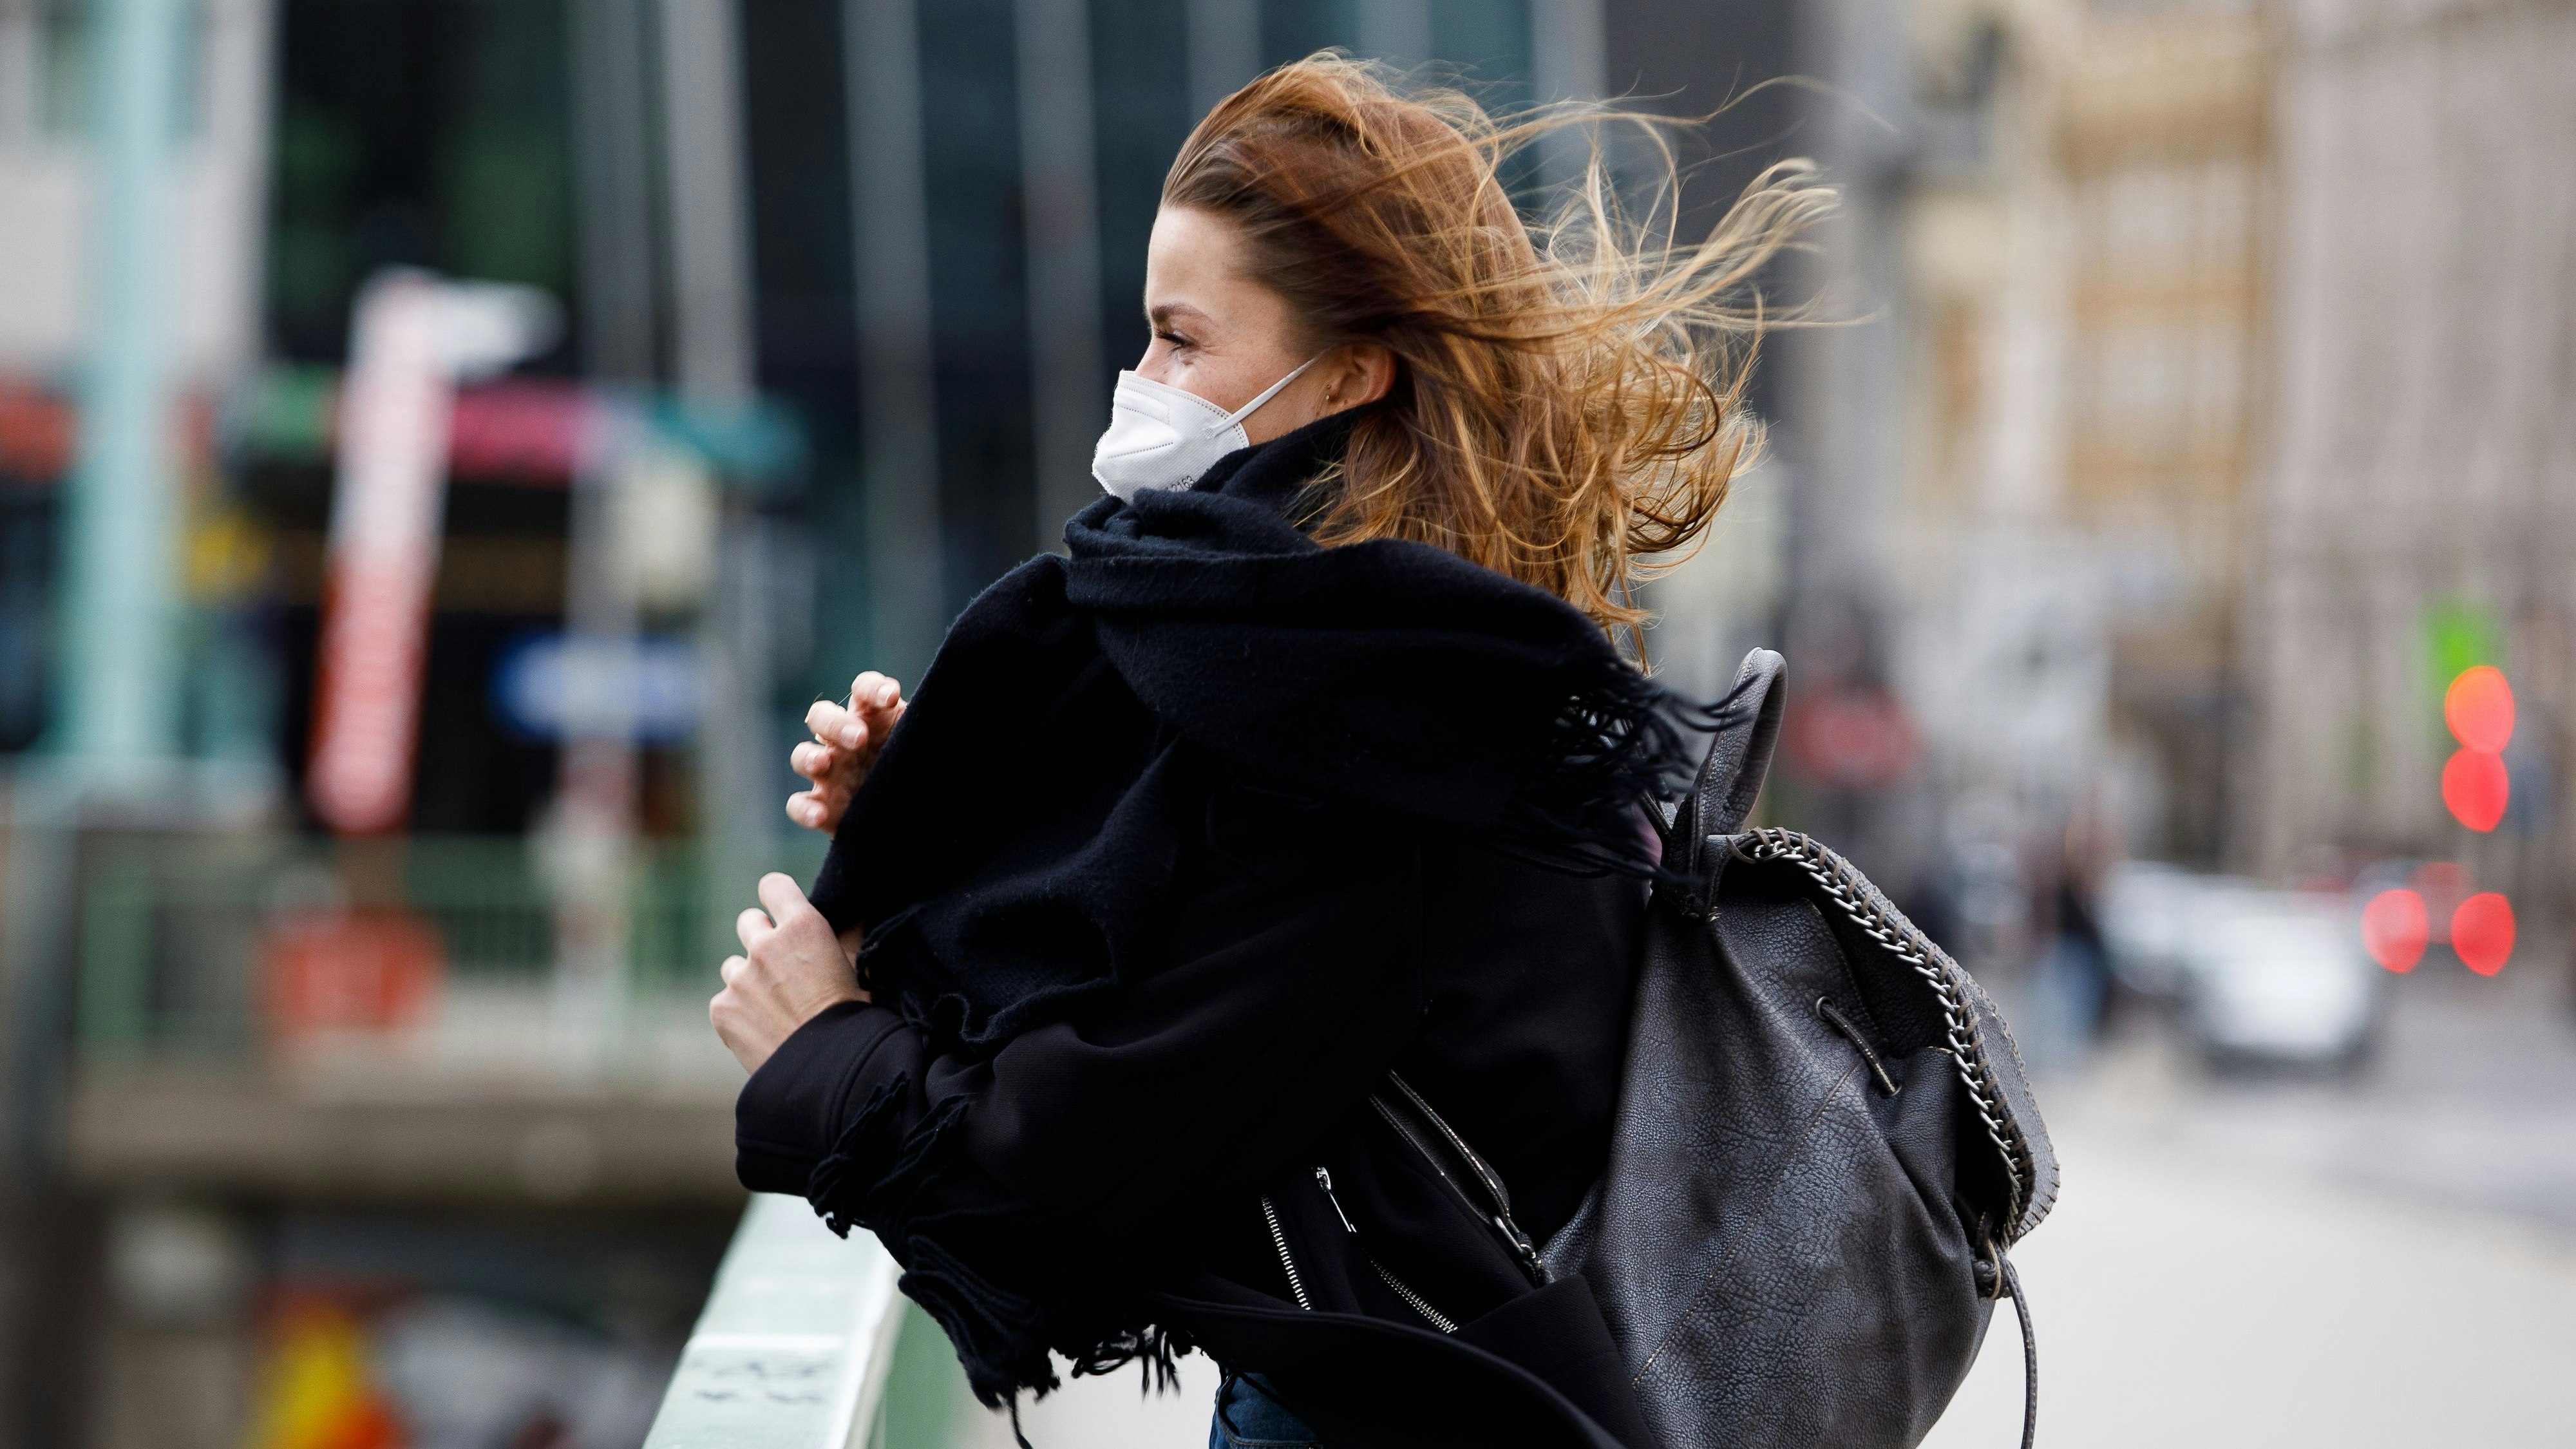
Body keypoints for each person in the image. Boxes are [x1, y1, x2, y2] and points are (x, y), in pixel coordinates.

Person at [708, 55, 1828, 1449]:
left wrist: (823, 1046)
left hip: (1412, 1414)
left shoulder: (1366, 713)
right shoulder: (1359, 654)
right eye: (1143, 338)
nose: (1140, 386)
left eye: (1180, 341)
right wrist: (940, 827)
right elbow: (1202, 971)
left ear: (1349, 372)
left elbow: (1089, 1149)